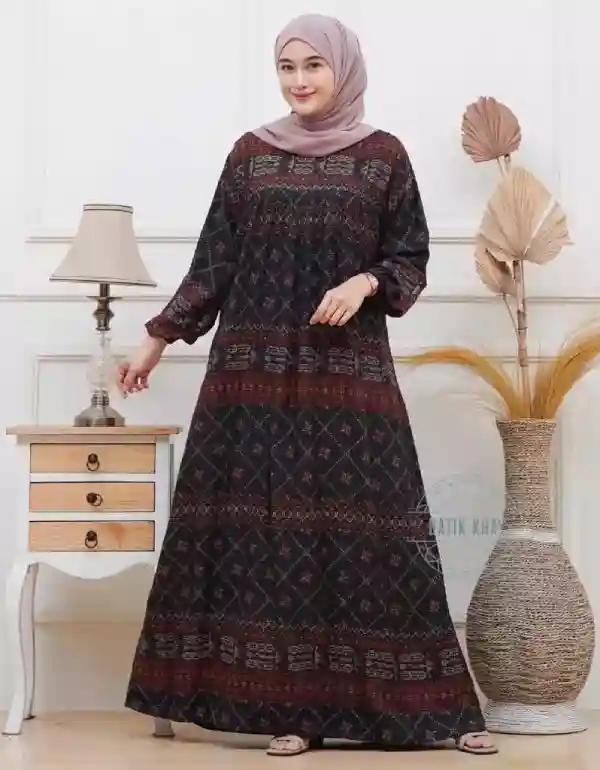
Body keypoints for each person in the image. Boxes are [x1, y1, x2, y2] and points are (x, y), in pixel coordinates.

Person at [120, 13, 497, 758]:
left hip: (347, 372)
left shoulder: (383, 156)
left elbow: (410, 258)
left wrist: (364, 282)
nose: (299, 81)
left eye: (313, 66)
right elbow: (215, 262)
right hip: (253, 376)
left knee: (381, 533)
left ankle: (439, 714)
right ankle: (289, 712)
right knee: (270, 536)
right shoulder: (250, 156)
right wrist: (156, 338)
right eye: (287, 67)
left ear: (342, 69)